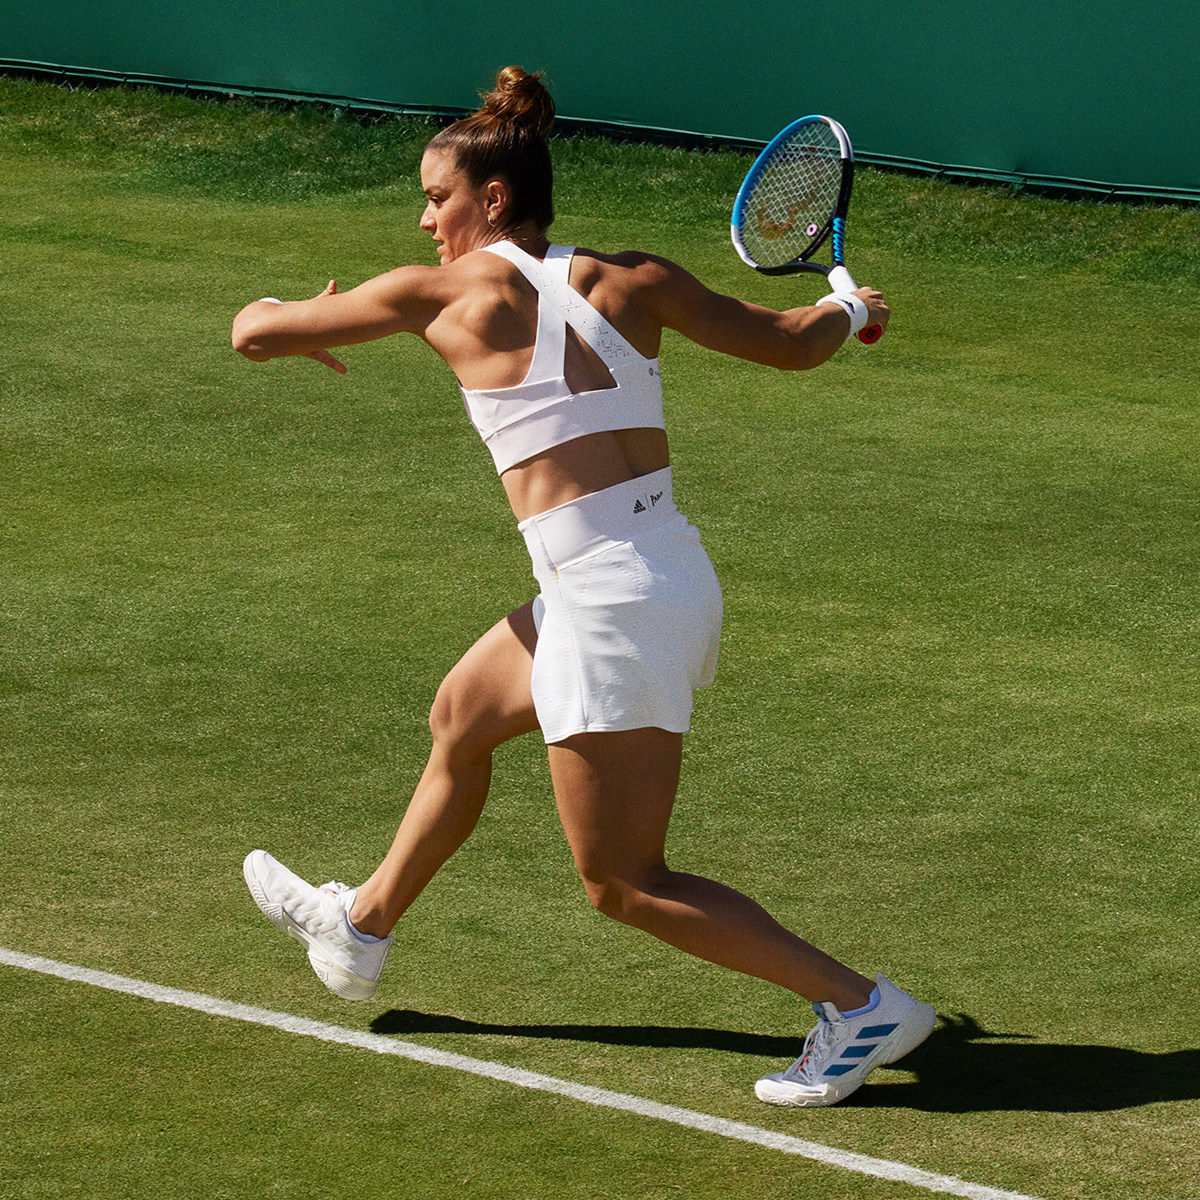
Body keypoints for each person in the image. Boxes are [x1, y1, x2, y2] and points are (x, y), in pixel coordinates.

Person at [232, 66, 934, 1108]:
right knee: (462, 717)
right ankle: (363, 925)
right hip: (656, 577)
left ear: (493, 200)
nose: (427, 218)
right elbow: (791, 345)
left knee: (625, 883)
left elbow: (252, 329)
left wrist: (310, 313)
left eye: (437, 198)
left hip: (611, 606)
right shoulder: (634, 277)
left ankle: (858, 1006)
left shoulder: (441, 295)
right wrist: (844, 305)